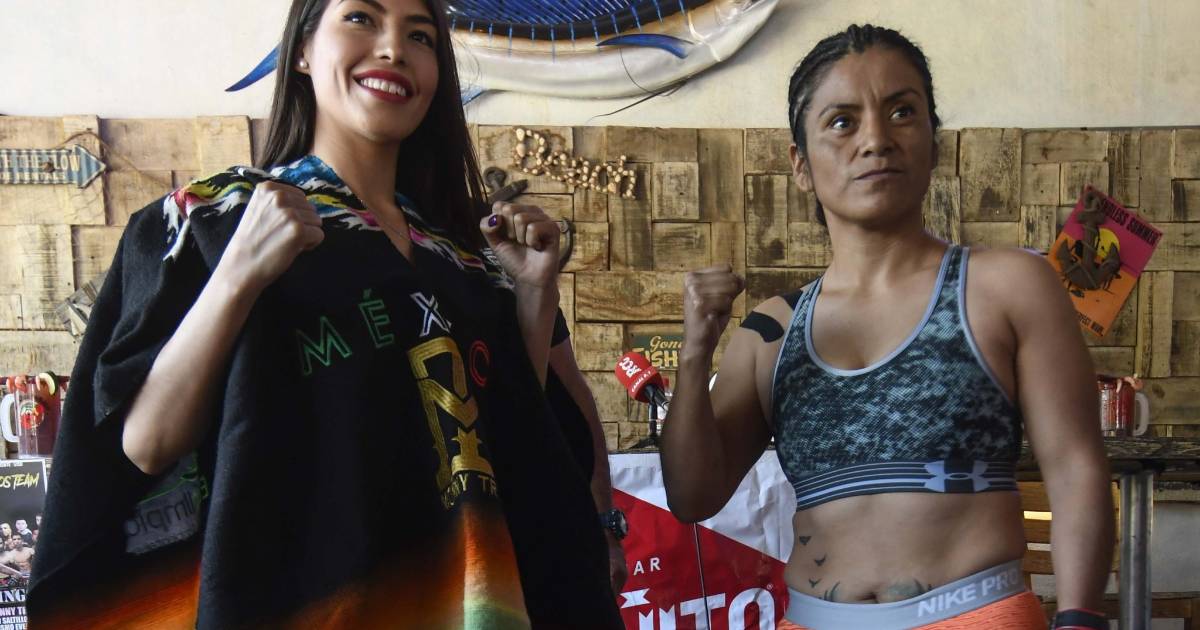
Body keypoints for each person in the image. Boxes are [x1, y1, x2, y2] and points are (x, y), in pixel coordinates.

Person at [29, 0, 621, 627]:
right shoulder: (210, 218)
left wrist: (532, 292)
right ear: (304, 50)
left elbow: (512, 436)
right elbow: (147, 446)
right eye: (362, 18)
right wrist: (238, 274)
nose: (393, 48)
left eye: (420, 35)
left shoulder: (463, 253)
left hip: (469, 600)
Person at [660, 24, 1113, 630]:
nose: (875, 140)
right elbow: (693, 497)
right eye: (842, 122)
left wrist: (1080, 620)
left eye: (902, 112)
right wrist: (694, 355)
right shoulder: (772, 331)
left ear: (933, 141)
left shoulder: (1008, 285)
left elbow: (1076, 467)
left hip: (973, 614)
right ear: (800, 164)